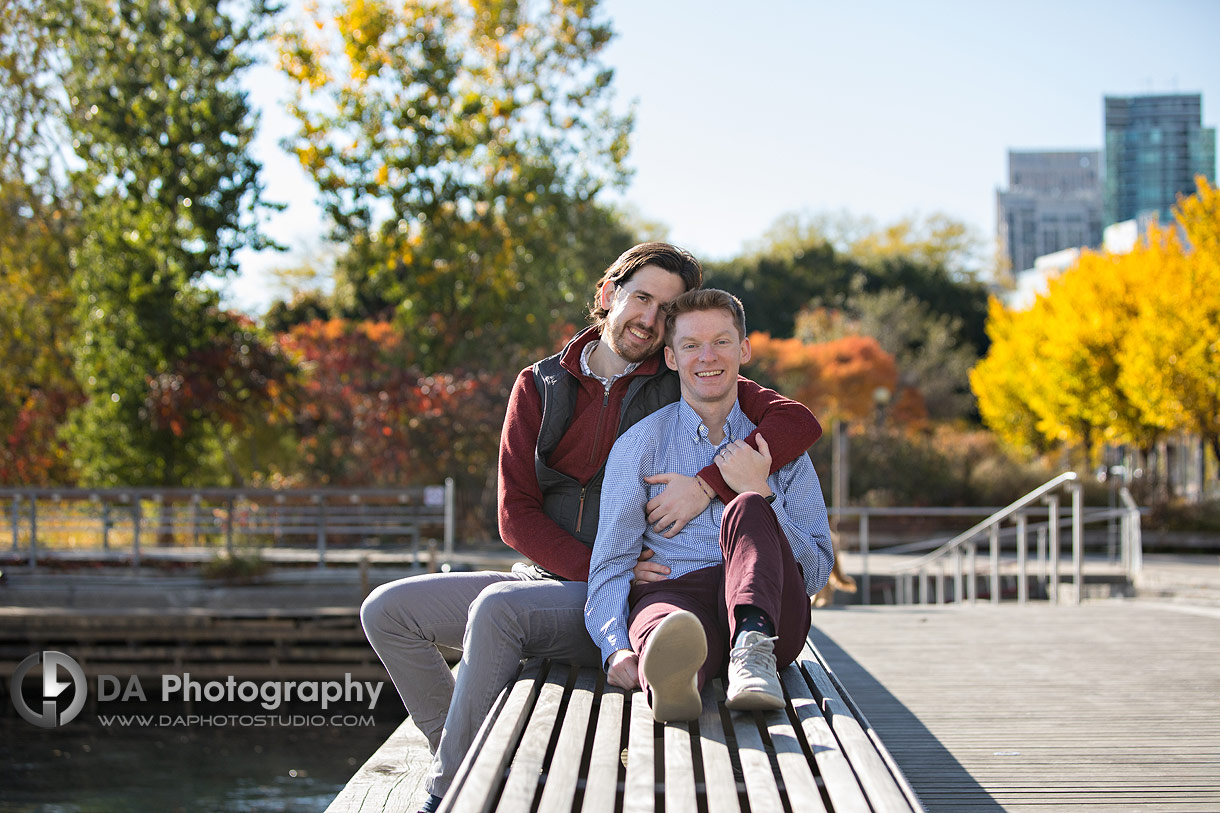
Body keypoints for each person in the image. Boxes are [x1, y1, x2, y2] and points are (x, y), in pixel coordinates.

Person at [361, 244, 822, 811]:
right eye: (642, 298)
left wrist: (707, 484)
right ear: (608, 295)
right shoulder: (541, 385)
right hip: (560, 574)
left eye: (666, 309)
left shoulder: (675, 372)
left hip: (623, 586)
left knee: (498, 612)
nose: (650, 319)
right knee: (386, 609)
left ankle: (448, 792)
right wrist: (614, 569)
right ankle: (462, 760)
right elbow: (515, 514)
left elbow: (794, 420)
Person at [585, 288, 834, 721]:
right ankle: (675, 681)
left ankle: (750, 656)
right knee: (666, 625)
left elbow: (814, 575)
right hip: (678, 593)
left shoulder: (780, 447)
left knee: (748, 507)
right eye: (691, 345)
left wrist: (761, 492)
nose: (708, 357)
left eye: (720, 342)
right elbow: (611, 563)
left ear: (743, 349)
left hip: (772, 616)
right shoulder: (640, 447)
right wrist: (614, 648)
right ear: (671, 359)